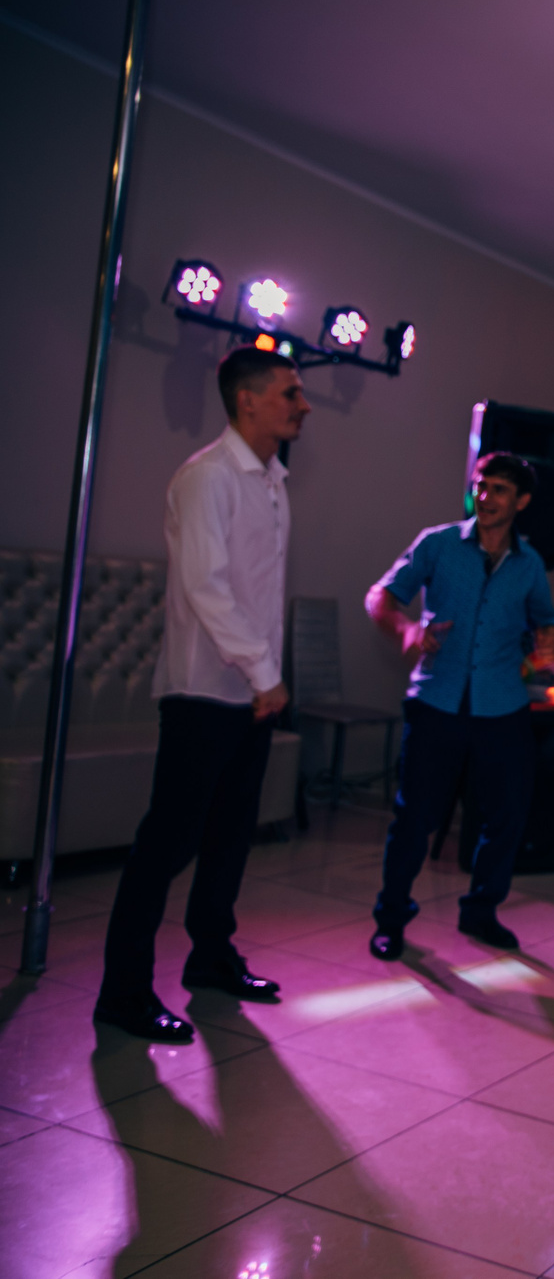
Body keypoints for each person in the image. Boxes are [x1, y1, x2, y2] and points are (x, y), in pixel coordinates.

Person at [94, 348, 306, 1043]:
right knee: (169, 842)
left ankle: (211, 956)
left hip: (251, 692)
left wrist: (264, 679)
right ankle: (123, 992)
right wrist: (263, 672)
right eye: (289, 393)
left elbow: (259, 593)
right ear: (247, 400)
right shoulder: (206, 477)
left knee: (230, 836)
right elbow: (205, 586)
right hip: (202, 691)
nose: (302, 405)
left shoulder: (273, 481)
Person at [363, 452, 554, 959]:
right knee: (414, 818)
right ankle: (391, 919)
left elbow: (546, 619)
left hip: (502, 708)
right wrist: (407, 629)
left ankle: (481, 910)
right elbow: (380, 597)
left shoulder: (530, 563)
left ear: (521, 501)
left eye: (499, 490)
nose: (485, 497)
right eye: (481, 485)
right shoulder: (436, 544)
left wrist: (548, 641)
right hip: (436, 701)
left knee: (506, 816)